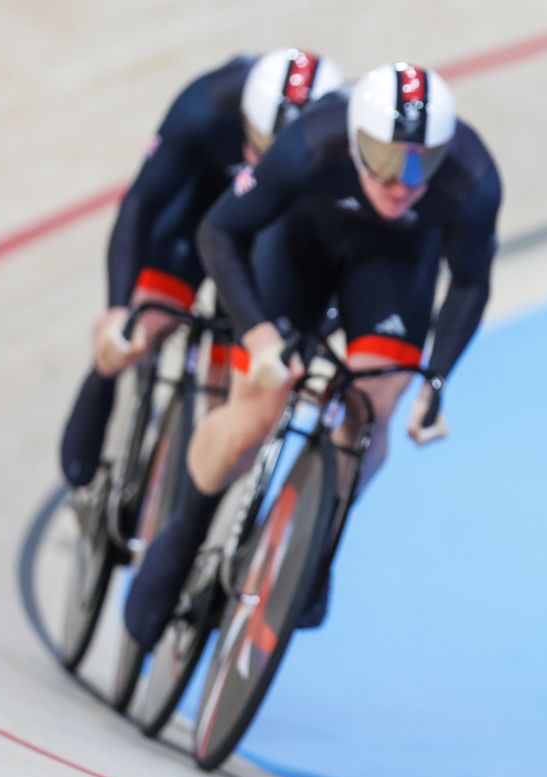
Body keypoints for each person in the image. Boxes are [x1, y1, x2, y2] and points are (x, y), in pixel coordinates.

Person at [123, 63, 502, 648]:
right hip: (299, 243)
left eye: (420, 163)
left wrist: (436, 381)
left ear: (444, 154)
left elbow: (471, 284)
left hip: (393, 266)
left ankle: (323, 535)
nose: (400, 182)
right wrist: (258, 334)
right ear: (353, 142)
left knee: (374, 406)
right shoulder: (308, 144)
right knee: (258, 404)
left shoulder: (473, 179)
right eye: (382, 159)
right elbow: (217, 232)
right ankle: (186, 532)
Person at [58, 49, 343, 488]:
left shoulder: (339, 143)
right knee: (143, 328)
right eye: (260, 144)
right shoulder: (204, 107)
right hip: (195, 213)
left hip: (264, 234)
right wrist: (118, 310)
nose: (265, 161)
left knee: (239, 399)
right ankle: (103, 378)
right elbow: (139, 206)